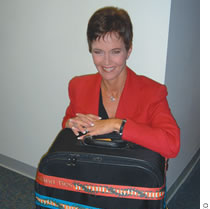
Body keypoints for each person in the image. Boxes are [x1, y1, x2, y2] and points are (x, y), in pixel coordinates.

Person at [62, 6, 180, 158]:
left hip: (129, 176)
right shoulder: (78, 86)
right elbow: (68, 120)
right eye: (98, 52)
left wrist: (117, 124)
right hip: (89, 171)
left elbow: (172, 145)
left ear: (128, 51)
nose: (106, 61)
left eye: (115, 52)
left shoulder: (152, 92)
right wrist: (70, 124)